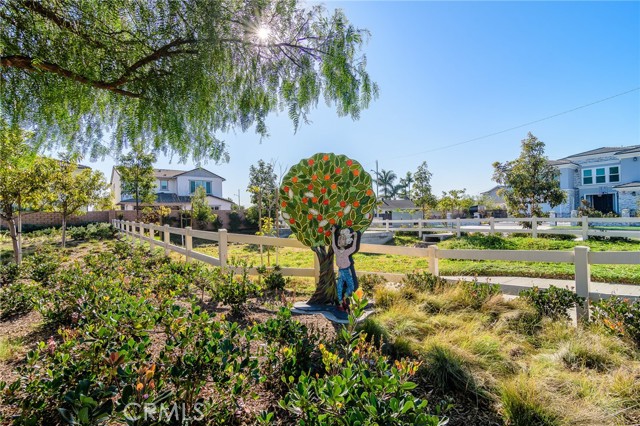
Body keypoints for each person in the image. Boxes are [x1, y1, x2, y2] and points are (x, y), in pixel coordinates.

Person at [331, 226, 360, 311]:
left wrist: (355, 237)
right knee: (339, 287)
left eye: (342, 239)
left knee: (351, 286)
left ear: (346, 242)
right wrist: (333, 233)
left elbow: (354, 247)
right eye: (339, 239)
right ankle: (340, 303)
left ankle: (345, 297)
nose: (340, 241)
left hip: (347, 270)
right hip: (340, 271)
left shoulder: (347, 251)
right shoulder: (336, 250)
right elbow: (333, 244)